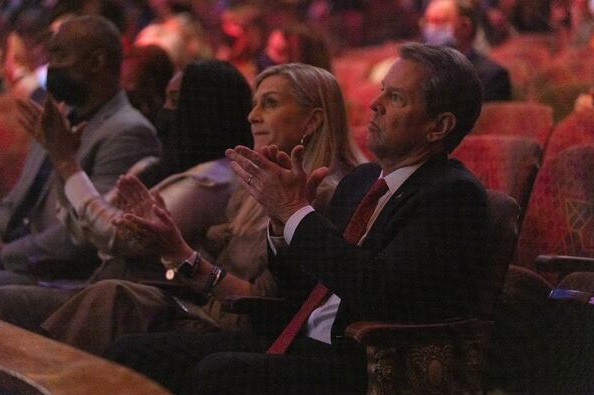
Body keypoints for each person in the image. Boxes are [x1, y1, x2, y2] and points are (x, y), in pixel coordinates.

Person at [102, 43, 491, 395]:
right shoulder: (361, 182)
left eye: (396, 98)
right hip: (297, 339)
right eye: (382, 91)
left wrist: (295, 213)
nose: (375, 105)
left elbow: (378, 290)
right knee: (131, 352)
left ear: (437, 127)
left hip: (360, 363)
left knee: (219, 374)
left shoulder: (452, 195)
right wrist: (278, 221)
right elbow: (300, 288)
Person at [36, 63, 365, 355]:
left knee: (110, 300)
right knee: (107, 293)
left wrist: (177, 251)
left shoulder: (320, 197)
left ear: (312, 121)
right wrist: (167, 241)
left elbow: (269, 303)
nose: (252, 116)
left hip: (241, 332)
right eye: (254, 104)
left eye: (270, 103)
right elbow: (205, 264)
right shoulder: (248, 193)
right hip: (203, 309)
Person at [0, 59, 253, 333]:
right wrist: (62, 164)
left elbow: (114, 236)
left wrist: (67, 163)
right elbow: (85, 227)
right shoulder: (154, 165)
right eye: (165, 98)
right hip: (98, 284)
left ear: (206, 108)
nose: (164, 110)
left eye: (176, 100)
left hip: (134, 302)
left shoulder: (212, 179)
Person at [0, 15, 161, 285]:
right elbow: (15, 200)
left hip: (60, 276)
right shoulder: (57, 117)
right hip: (16, 259)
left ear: (96, 62)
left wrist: (5, 255)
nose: (51, 66)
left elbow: (83, 237)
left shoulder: (128, 131)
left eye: (60, 55)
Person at [422, 0, 512, 101]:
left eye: (439, 22)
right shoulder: (419, 72)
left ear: (465, 26)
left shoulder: (491, 76)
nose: (431, 29)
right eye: (427, 22)